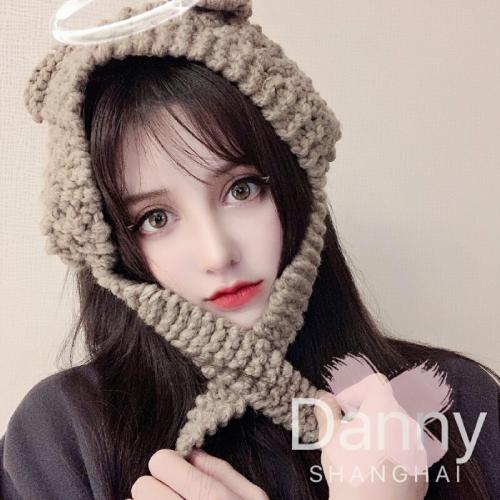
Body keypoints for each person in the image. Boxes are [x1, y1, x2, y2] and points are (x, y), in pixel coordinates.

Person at [1, 1, 498, 499]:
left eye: (242, 190)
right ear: (111, 247)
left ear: (295, 186)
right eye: (155, 219)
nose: (217, 255)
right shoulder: (57, 438)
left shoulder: (459, 400)